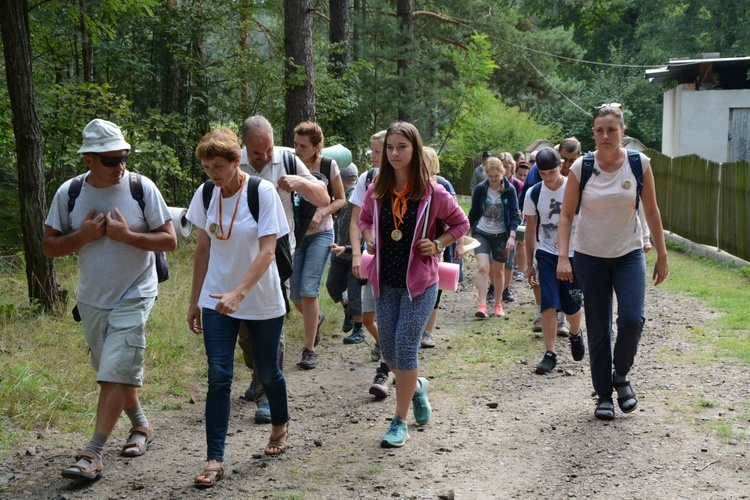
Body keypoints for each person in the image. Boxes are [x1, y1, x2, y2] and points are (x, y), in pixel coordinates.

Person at [44, 119, 176, 481]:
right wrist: (84, 236)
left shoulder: (140, 187)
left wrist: (127, 235)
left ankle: (93, 453)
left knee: (115, 369)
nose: (120, 165)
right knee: (114, 371)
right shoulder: (68, 193)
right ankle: (141, 427)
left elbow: (169, 240)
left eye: (124, 156)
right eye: (111, 159)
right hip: (92, 299)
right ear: (89, 159)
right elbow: (49, 246)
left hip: (136, 292)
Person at [187, 128, 290, 488]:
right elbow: (202, 250)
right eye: (206, 167)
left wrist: (240, 294)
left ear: (236, 161)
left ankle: (280, 425)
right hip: (216, 298)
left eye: (218, 166)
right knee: (218, 376)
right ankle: (215, 458)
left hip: (260, 299)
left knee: (267, 370)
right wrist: (194, 300)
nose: (212, 173)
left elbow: (266, 252)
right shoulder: (204, 194)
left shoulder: (261, 192)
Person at [359, 122, 469, 447]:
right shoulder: (378, 186)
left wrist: (438, 243)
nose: (394, 153)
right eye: (390, 147)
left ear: (415, 150)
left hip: (420, 284)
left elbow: (461, 223)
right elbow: (365, 219)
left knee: (406, 348)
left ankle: (399, 421)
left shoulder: (432, 191)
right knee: (390, 351)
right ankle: (417, 386)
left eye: (401, 147)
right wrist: (368, 237)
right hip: (386, 281)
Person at [557, 103, 668, 420]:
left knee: (632, 319)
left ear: (623, 132)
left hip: (629, 253)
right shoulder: (581, 166)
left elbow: (652, 212)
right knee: (599, 326)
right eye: (599, 130)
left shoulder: (638, 163)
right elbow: (566, 216)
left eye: (611, 130)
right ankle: (604, 395)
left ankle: (621, 374)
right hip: (589, 257)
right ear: (593, 133)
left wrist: (661, 254)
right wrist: (563, 257)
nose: (605, 136)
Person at [236, 115, 329, 422]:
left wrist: (301, 182)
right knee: (243, 329)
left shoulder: (288, 160)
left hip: (277, 252)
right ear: (244, 145)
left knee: (270, 320)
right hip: (237, 254)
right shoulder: (232, 161)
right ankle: (259, 373)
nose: (262, 158)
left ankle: (265, 395)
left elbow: (324, 197)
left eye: (267, 151)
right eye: (256, 153)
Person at [522, 148, 585, 374]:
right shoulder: (534, 193)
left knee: (572, 303)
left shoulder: (574, 188)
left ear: (561, 166)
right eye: (542, 173)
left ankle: (576, 333)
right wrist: (530, 262)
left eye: (552, 172)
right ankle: (550, 353)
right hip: (546, 253)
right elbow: (530, 230)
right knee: (548, 302)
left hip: (574, 252)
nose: (548, 177)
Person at [291, 122, 346, 370]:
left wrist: (322, 211)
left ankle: (309, 349)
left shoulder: (327, 165)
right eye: (295, 144)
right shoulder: (290, 163)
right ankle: (318, 318)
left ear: (317, 147)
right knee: (294, 296)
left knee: (309, 289)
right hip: (295, 235)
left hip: (321, 233)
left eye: (303, 146)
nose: (298, 149)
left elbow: (341, 200)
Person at [350, 130, 392, 398]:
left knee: (389, 321)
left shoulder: (410, 180)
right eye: (372, 151)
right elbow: (357, 220)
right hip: (372, 260)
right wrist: (357, 253)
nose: (373, 156)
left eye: (378, 151)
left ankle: (387, 368)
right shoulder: (367, 180)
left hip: (399, 266)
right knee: (368, 318)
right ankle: (391, 353)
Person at [420, 146, 465, 349]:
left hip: (437, 245)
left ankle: (428, 331)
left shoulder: (442, 186)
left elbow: (457, 219)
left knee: (434, 288)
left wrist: (444, 244)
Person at [468, 157, 521, 319]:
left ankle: (498, 303)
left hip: (501, 235)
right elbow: (473, 212)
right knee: (483, 268)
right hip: (482, 232)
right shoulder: (480, 189)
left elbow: (514, 215)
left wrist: (512, 236)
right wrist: (463, 234)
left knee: (498, 271)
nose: (493, 180)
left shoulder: (509, 190)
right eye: (490, 176)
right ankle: (482, 305)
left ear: (502, 173)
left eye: (496, 177)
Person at [326, 163, 367, 344]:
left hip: (356, 253)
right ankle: (348, 310)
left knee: (355, 292)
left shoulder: (358, 197)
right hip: (339, 251)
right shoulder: (339, 196)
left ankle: (359, 330)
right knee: (333, 286)